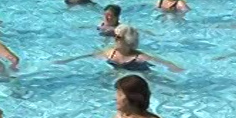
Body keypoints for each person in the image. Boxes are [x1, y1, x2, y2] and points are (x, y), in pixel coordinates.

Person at [55, 24, 183, 73]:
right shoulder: (110, 53)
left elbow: (160, 61)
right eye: (115, 36)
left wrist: (174, 68)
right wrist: (67, 61)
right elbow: (89, 55)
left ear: (128, 40)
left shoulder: (138, 57)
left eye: (118, 37)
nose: (115, 39)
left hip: (139, 74)